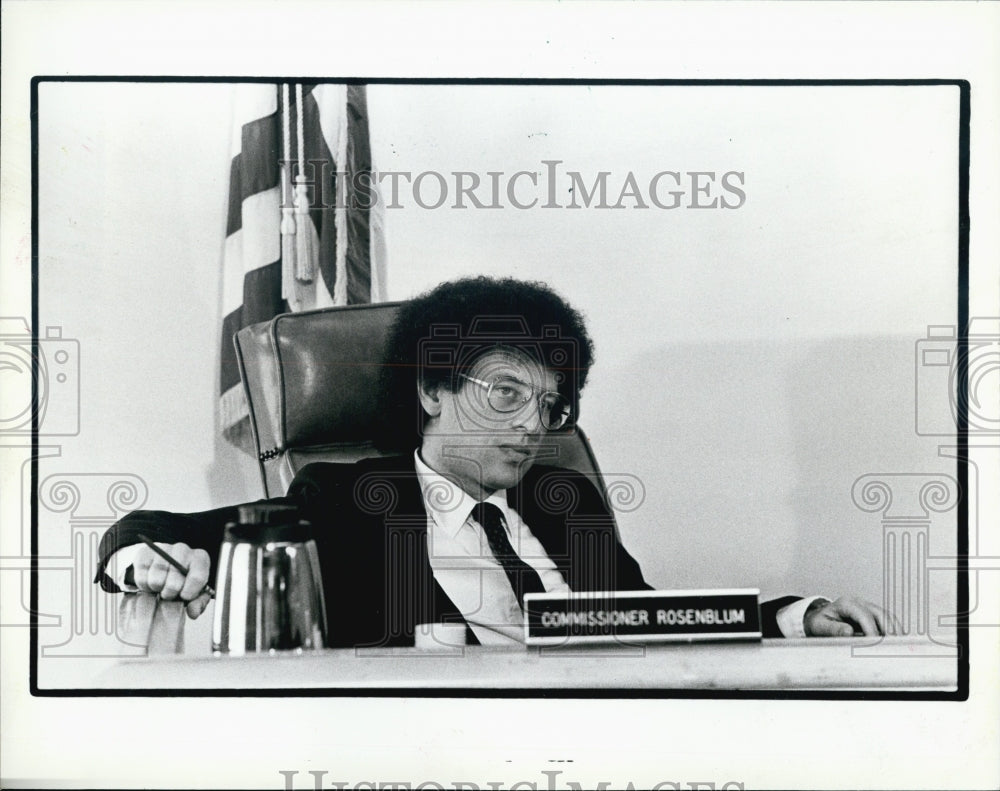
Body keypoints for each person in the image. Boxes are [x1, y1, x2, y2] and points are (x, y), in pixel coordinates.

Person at [95, 276, 894, 646]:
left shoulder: (561, 498)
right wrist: (138, 551)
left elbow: (651, 615)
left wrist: (791, 616)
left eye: (550, 406)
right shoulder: (347, 494)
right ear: (437, 390)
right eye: (507, 393)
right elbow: (164, 531)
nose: (533, 425)